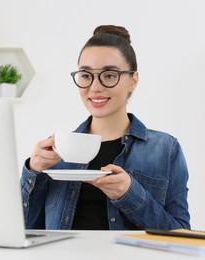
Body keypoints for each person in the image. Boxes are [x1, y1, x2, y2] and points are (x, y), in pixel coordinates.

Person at [20, 25, 190, 230]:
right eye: (85, 75)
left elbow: (181, 234)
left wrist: (130, 195)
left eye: (109, 75)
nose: (95, 87)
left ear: (133, 80)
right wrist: (33, 172)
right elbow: (26, 231)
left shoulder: (165, 149)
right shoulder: (56, 150)